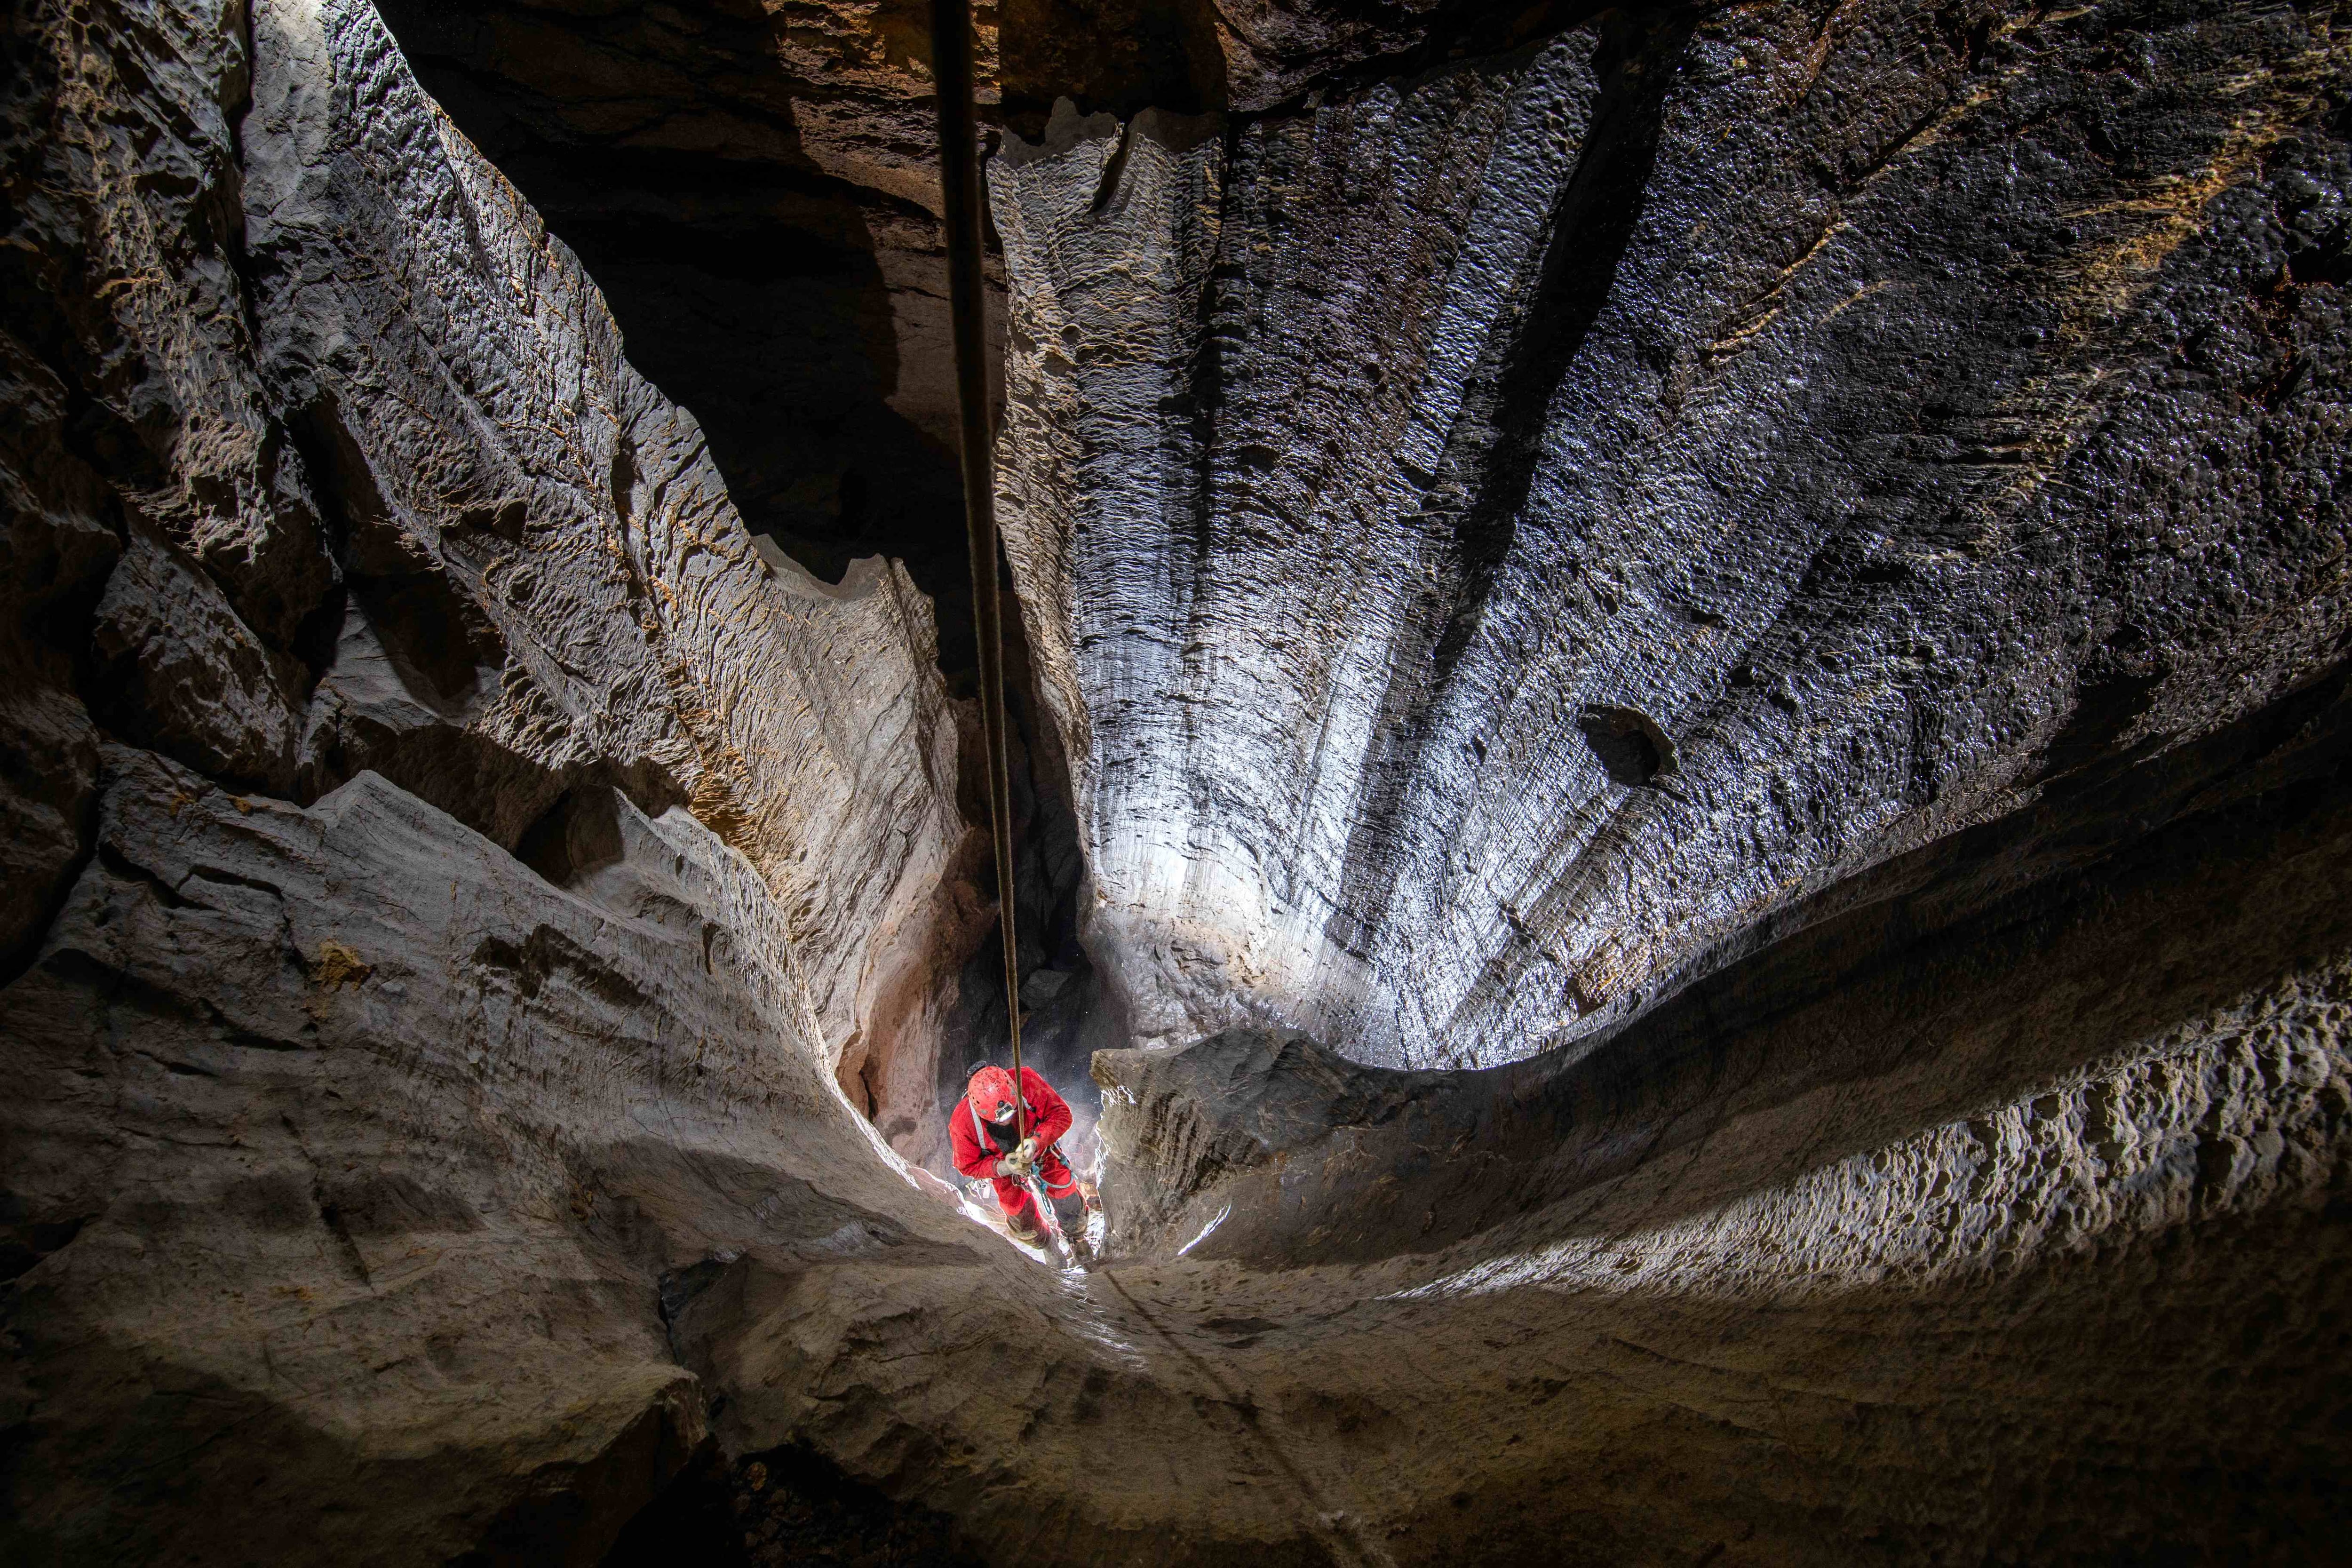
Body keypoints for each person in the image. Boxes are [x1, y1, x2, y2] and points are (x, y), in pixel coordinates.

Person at [949, 1062, 1093, 1243]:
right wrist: (1004, 1167)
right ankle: (1045, 1243)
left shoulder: (1026, 1081)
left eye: (1011, 1113)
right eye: (999, 1120)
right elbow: (968, 1166)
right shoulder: (963, 1121)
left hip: (1039, 1149)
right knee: (1020, 1218)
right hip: (1002, 1166)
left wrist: (1036, 1142)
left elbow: (1061, 1114)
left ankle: (1077, 1237)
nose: (1007, 1121)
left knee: (1067, 1196)